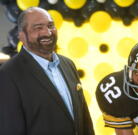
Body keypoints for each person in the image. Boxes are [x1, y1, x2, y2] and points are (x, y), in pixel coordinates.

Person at [0, 7, 94, 135]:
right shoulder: (8, 74)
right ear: (22, 35)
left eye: (51, 26)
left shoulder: (68, 64)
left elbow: (84, 118)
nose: (48, 33)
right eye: (38, 28)